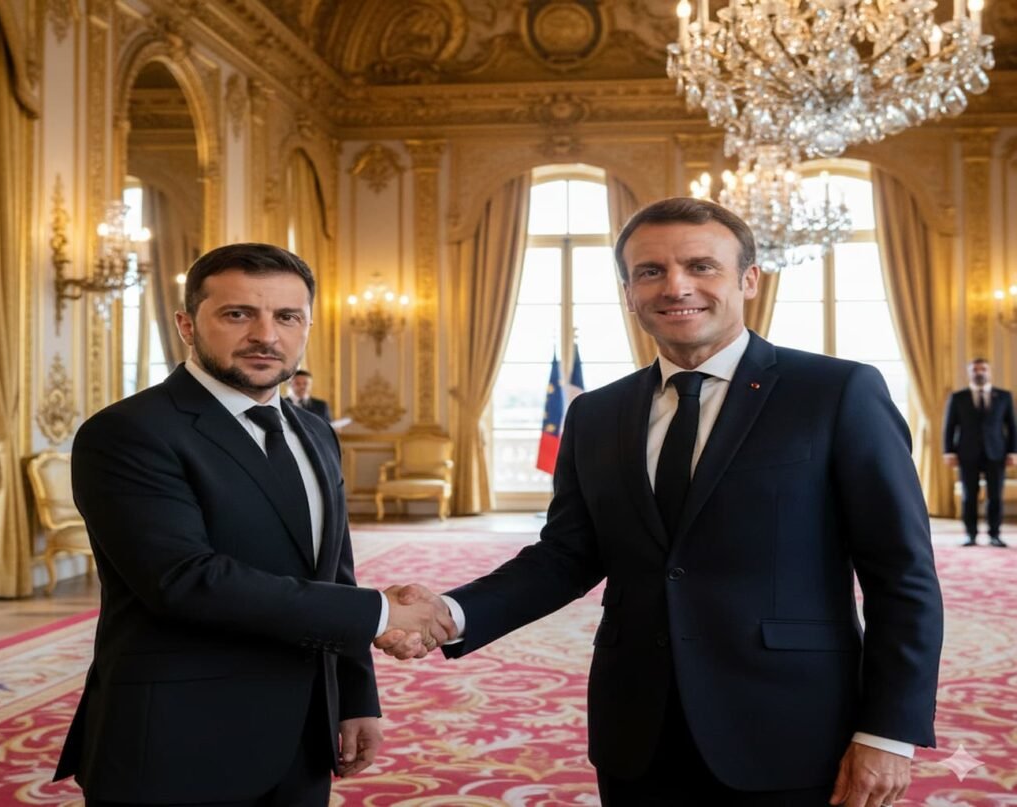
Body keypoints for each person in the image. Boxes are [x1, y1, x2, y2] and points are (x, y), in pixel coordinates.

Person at [377, 198, 944, 807]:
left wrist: (888, 730)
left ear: (748, 279)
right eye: (650, 271)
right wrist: (452, 614)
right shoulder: (596, 413)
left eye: (702, 266)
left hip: (791, 725)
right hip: (636, 729)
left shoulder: (837, 392)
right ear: (628, 291)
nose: (676, 287)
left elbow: (901, 575)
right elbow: (567, 556)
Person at [54, 243, 455, 807]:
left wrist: (357, 696)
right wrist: (382, 612)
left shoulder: (315, 433)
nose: (266, 335)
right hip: (176, 742)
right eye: (238, 314)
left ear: (307, 326)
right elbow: (185, 580)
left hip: (303, 740)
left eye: (287, 317)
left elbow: (334, 573)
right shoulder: (128, 432)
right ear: (187, 325)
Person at [943, 357, 1017, 547]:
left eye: (983, 369)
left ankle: (995, 535)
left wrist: (1013, 452)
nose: (979, 372)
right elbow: (949, 426)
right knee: (969, 496)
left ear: (989, 372)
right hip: (967, 453)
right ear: (969, 373)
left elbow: (1012, 426)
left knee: (995, 496)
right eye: (975, 369)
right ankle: (971, 535)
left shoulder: (1004, 396)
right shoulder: (958, 397)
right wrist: (948, 451)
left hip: (997, 453)